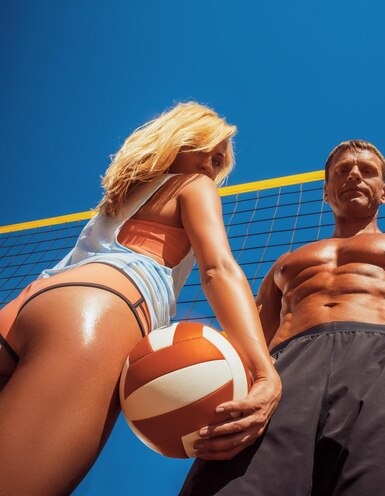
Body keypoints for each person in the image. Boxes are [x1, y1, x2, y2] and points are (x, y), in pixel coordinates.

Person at [181, 140, 385, 496]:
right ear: (326, 193)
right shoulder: (287, 263)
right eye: (342, 170)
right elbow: (246, 343)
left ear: (384, 193)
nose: (353, 173)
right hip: (283, 372)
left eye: (367, 170)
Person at [0, 102, 281, 495]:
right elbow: (218, 268)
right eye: (210, 153)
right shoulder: (191, 186)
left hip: (27, 303)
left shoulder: (117, 200)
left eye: (219, 164)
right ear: (184, 141)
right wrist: (265, 372)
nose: (211, 169)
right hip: (100, 307)